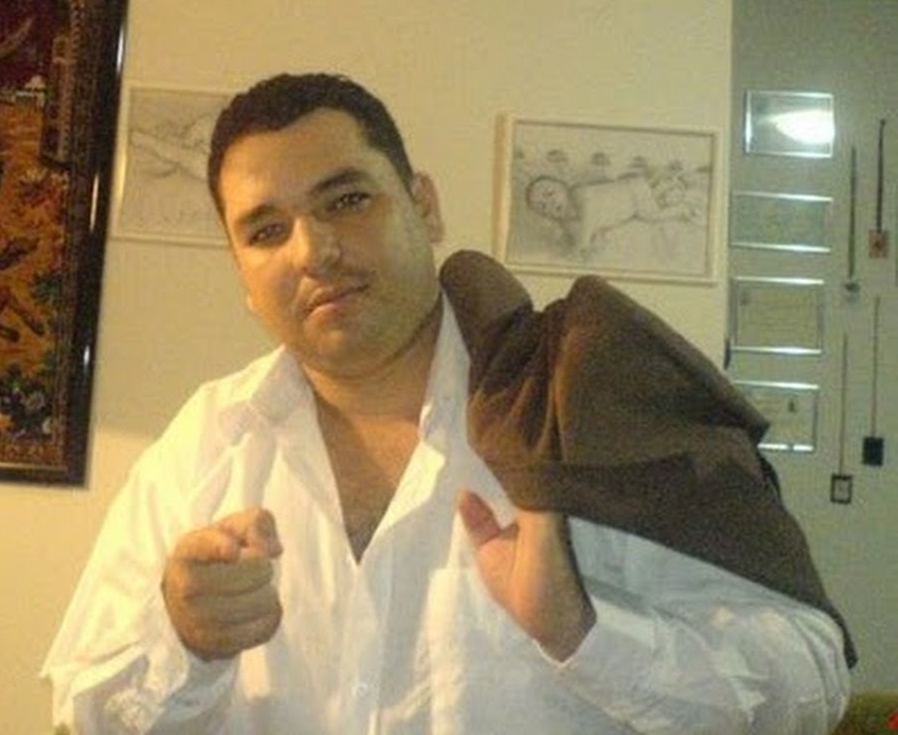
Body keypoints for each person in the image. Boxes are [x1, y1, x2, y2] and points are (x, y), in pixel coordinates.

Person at [43, 73, 851, 733]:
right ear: (243, 278)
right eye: (265, 231)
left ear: (423, 204)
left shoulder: (584, 395)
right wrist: (182, 638)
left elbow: (809, 683)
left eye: (346, 200)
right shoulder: (202, 447)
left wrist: (587, 636)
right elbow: (84, 712)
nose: (313, 250)